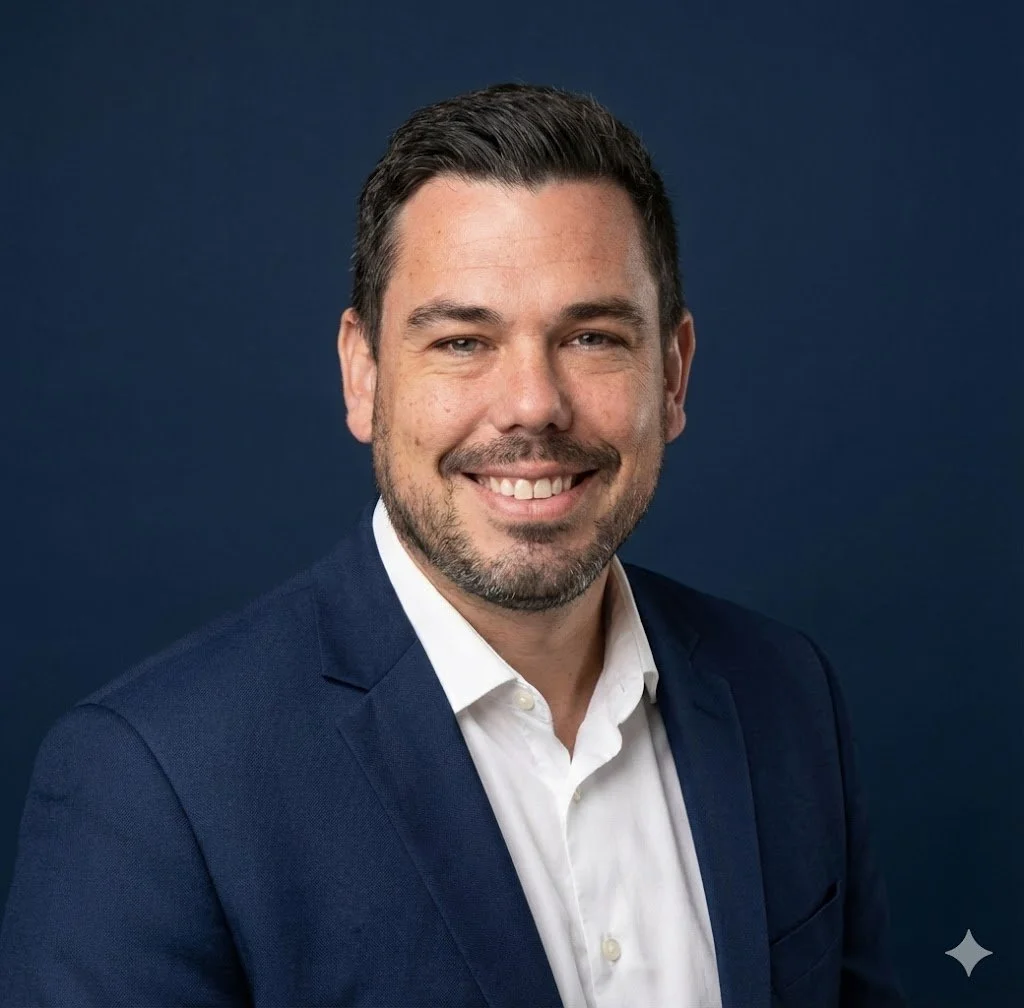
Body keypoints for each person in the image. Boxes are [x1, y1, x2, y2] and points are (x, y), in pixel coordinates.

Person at [0, 82, 905, 1007]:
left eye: (592, 337)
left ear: (672, 375)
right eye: (464, 342)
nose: (533, 406)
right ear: (363, 374)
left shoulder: (785, 695)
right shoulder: (151, 784)